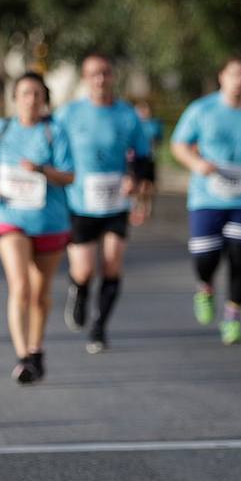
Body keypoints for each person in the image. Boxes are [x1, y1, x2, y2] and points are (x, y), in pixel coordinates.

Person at [170, 57, 241, 345]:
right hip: (206, 197)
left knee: (239, 255)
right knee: (205, 258)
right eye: (234, 74)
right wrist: (197, 163)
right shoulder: (202, 109)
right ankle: (205, 287)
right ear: (222, 76)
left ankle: (232, 317)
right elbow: (178, 144)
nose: (240, 81)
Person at [0, 73, 76, 383]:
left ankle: (36, 350)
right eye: (25, 93)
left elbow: (70, 176)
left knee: (40, 293)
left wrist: (42, 170)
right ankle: (22, 357)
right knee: (20, 286)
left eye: (37, 93)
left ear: (44, 98)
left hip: (49, 221)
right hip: (10, 219)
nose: (31, 99)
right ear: (15, 97)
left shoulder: (55, 132)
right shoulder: (1, 130)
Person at [56, 54, 154, 354]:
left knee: (112, 263)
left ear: (113, 77)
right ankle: (80, 291)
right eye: (94, 74)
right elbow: (53, 151)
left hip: (115, 201)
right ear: (85, 78)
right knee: (84, 270)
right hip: (79, 201)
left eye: (106, 73)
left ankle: (99, 327)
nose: (101, 79)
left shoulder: (126, 115)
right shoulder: (69, 114)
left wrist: (136, 183)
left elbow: (143, 157)